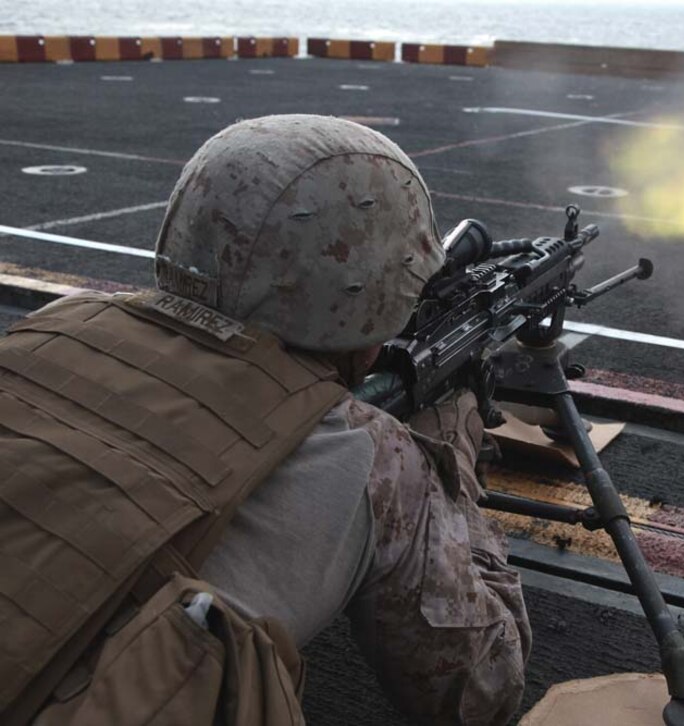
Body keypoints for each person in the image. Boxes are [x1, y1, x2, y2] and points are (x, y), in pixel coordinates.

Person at [0, 115, 531, 726]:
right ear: (372, 291)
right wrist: (449, 459)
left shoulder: (66, 320)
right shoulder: (369, 451)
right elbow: (482, 691)